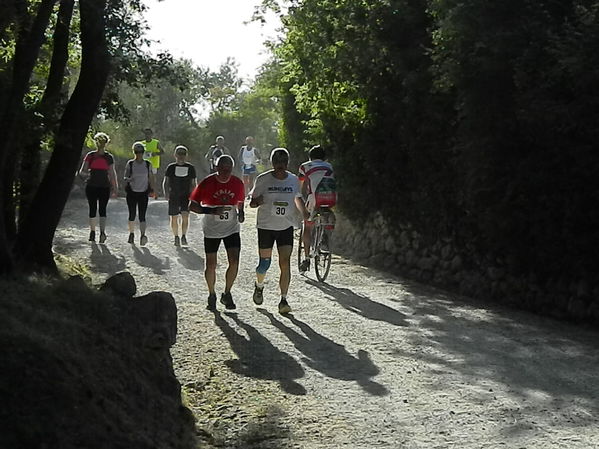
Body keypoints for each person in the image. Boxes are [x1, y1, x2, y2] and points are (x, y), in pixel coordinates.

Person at [249, 148, 309, 314]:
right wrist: (258, 201)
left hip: (285, 226)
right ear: (272, 163)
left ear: (287, 163)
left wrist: (304, 213)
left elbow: (297, 197)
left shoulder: (293, 180)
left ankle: (283, 300)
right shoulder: (262, 179)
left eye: (283, 163)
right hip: (266, 227)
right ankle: (259, 286)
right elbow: (252, 203)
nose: (280, 166)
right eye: (277, 162)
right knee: (265, 263)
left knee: (285, 262)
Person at [189, 155, 245, 311]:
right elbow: (192, 206)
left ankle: (227, 293)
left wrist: (241, 212)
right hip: (211, 229)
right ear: (216, 167)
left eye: (228, 169)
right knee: (211, 264)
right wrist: (211, 210)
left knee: (234, 261)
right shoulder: (207, 182)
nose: (225, 172)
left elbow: (240, 201)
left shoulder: (237, 183)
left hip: (231, 228)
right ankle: (211, 294)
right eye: (222, 168)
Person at [297, 145, 337, 273]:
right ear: (324, 157)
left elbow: (300, 185)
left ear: (310, 157)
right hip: (332, 198)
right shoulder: (329, 166)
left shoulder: (305, 166)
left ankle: (307, 259)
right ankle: (325, 237)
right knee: (329, 216)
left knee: (308, 225)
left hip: (315, 199)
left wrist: (301, 198)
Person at [78, 132, 118, 243]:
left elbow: (112, 173)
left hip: (96, 185)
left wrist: (88, 175)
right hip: (100, 185)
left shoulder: (93, 156)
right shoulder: (103, 157)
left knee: (95, 209)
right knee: (100, 210)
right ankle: (99, 232)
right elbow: (111, 173)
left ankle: (95, 232)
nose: (101, 144)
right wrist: (115, 187)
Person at [163, 145, 197, 246]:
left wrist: (194, 195)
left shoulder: (190, 168)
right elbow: (166, 181)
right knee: (174, 217)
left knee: (185, 216)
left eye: (183, 154)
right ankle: (176, 236)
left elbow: (194, 183)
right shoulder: (171, 167)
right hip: (173, 195)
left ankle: (183, 236)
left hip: (186, 196)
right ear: (175, 155)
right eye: (179, 154)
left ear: (186, 155)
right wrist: (166, 192)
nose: (181, 156)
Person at [124, 142, 155, 246]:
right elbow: (125, 177)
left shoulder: (147, 164)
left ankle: (142, 235)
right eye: (137, 152)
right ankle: (131, 234)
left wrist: (153, 189)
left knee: (142, 215)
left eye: (141, 152)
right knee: (132, 214)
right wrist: (130, 179)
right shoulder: (130, 164)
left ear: (143, 152)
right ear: (134, 152)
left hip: (143, 192)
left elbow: (150, 177)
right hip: (132, 192)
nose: (139, 154)